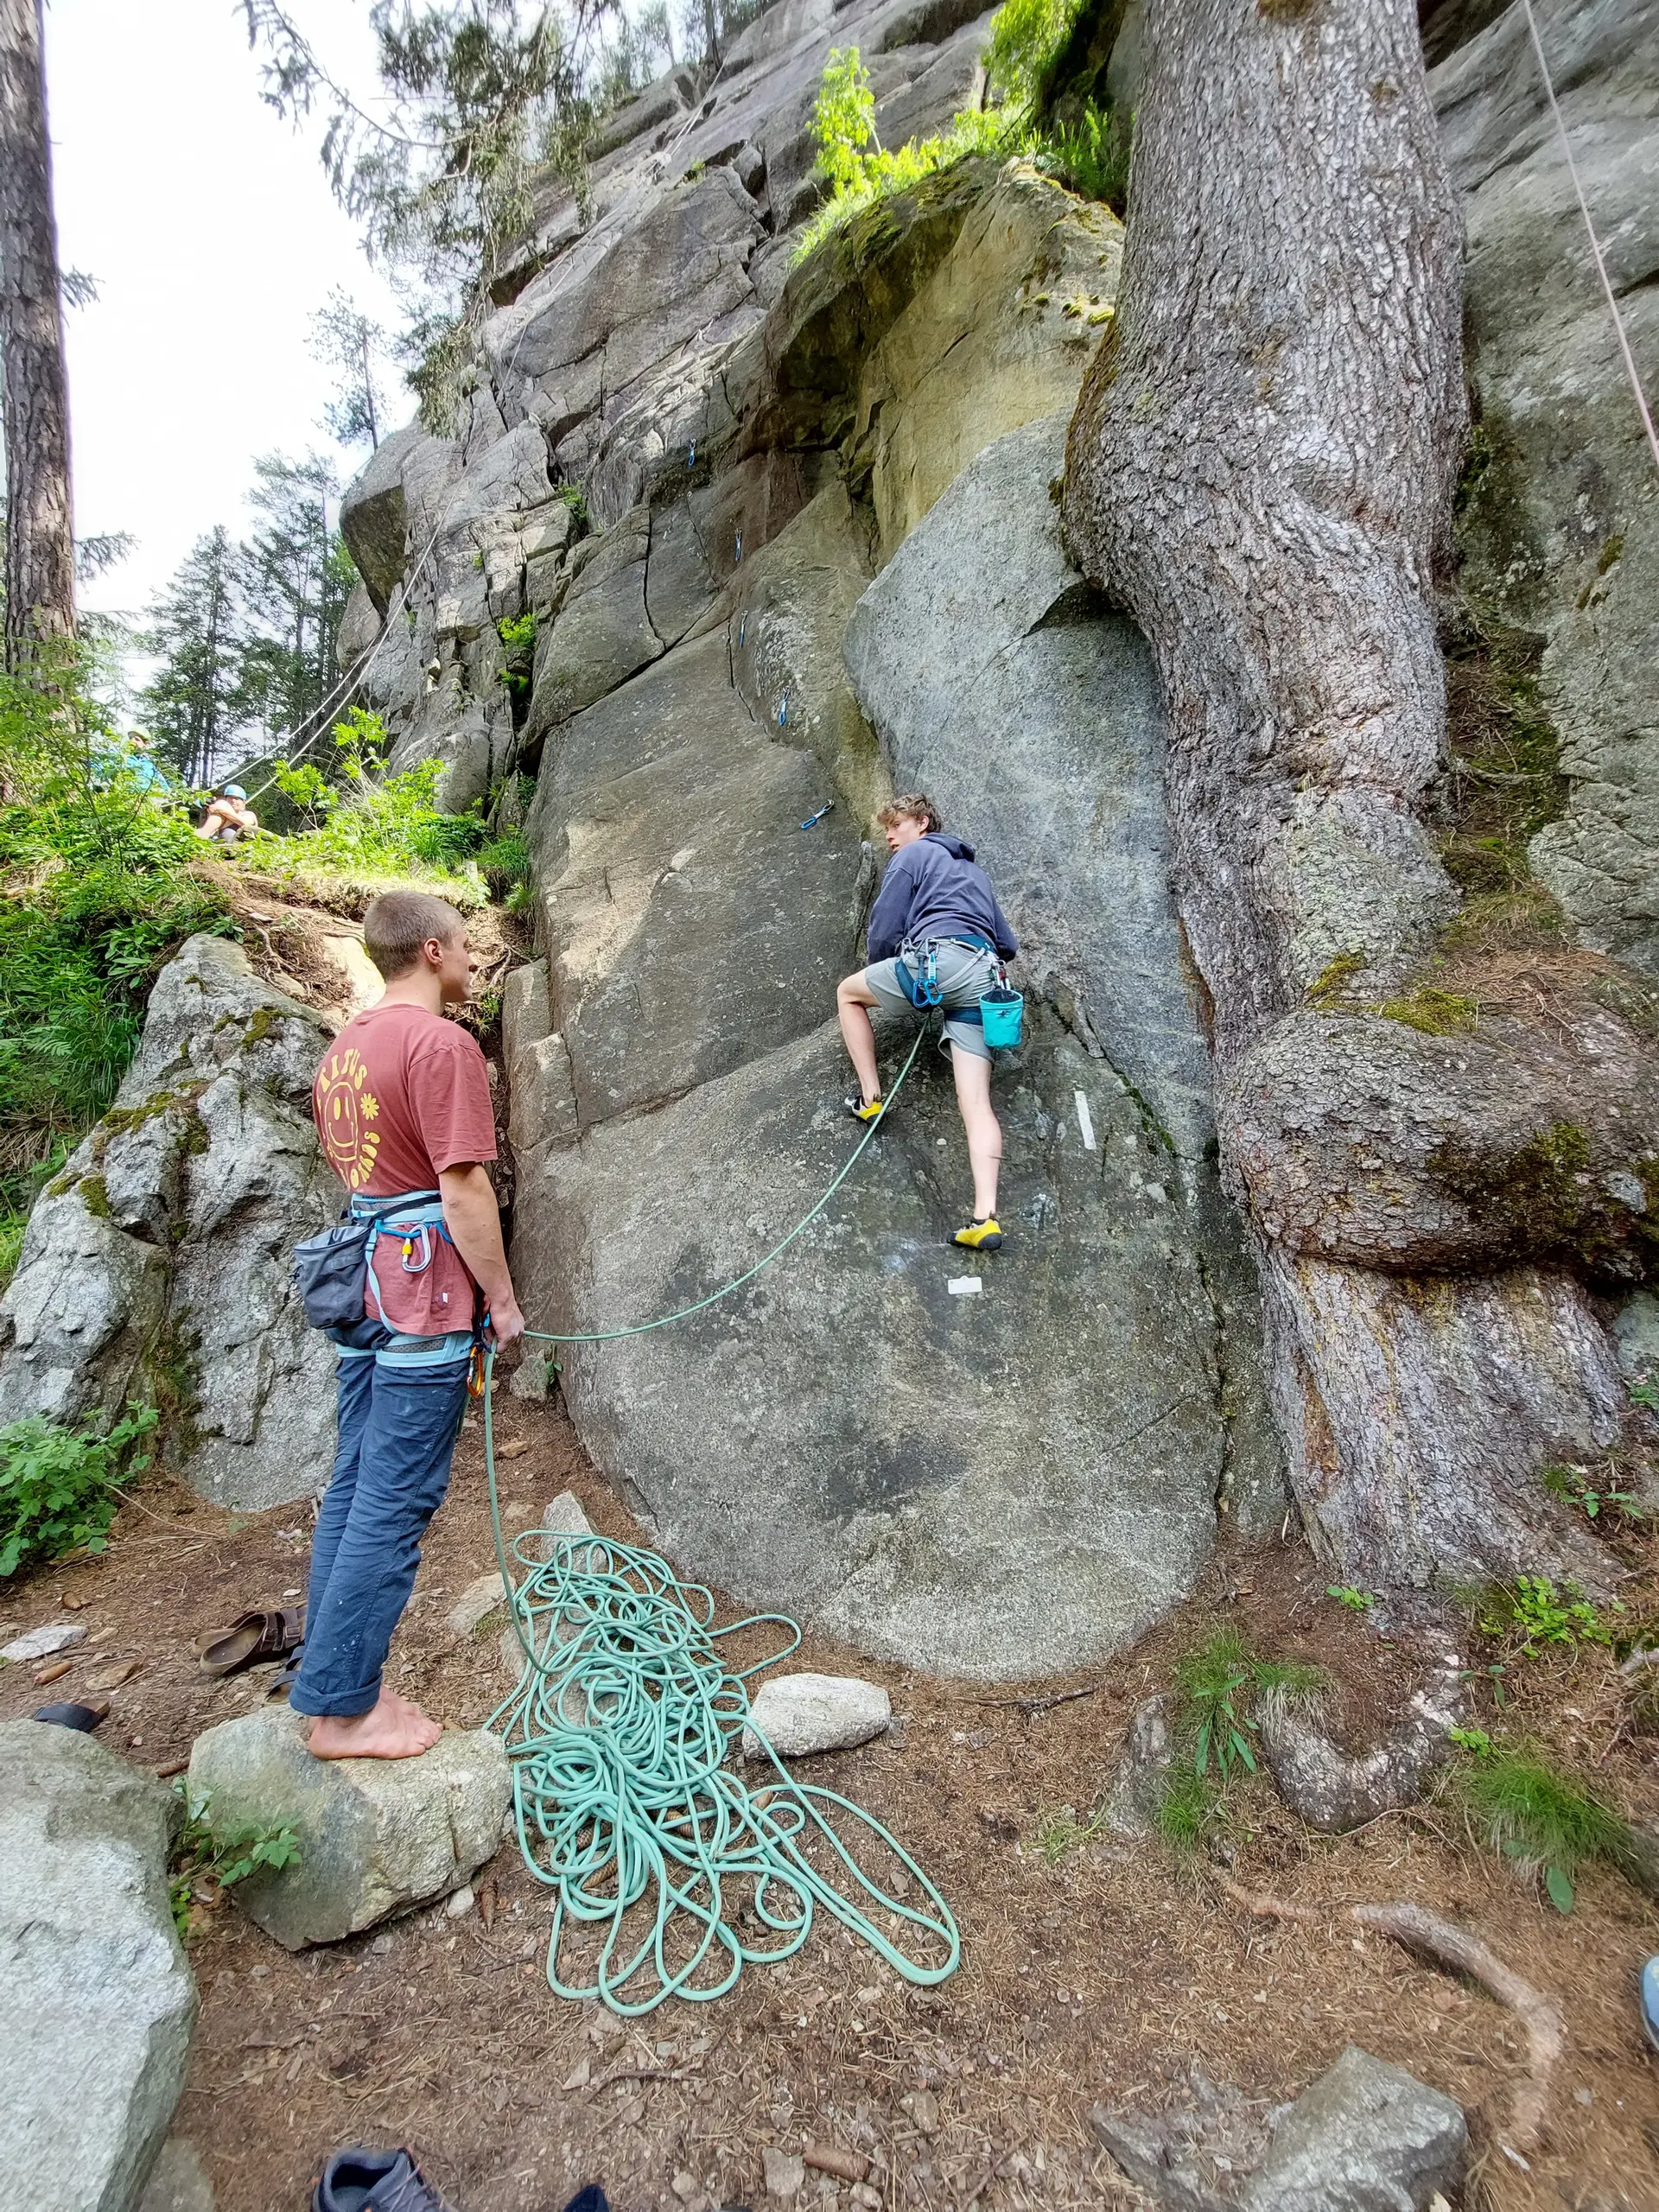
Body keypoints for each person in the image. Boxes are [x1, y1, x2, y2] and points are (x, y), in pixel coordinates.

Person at [290, 890, 526, 1761]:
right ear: (432, 950)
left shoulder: (344, 1049)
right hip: (422, 1290)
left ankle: (328, 1681)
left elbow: (367, 1175)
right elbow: (461, 1187)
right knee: (396, 1495)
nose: (472, 961)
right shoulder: (441, 1044)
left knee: (354, 1484)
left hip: (364, 1285)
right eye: (464, 947)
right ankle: (346, 1710)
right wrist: (500, 1302)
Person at [836, 792, 1019, 1252]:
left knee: (847, 993)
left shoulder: (916, 854)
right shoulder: (975, 873)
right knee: (976, 1102)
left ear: (922, 822)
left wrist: (884, 971)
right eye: (887, 831)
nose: (890, 838)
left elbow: (884, 927)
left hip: (936, 962)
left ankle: (872, 1098)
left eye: (895, 826)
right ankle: (985, 1218)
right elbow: (1007, 943)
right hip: (985, 977)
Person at [195, 783, 259, 847]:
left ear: (243, 803)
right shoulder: (221, 812)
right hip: (221, 847)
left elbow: (245, 823)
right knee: (221, 805)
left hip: (242, 846)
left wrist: (220, 809)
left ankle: (201, 836)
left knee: (221, 803)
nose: (233, 801)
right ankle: (200, 838)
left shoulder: (248, 814)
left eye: (237, 799)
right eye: (230, 798)